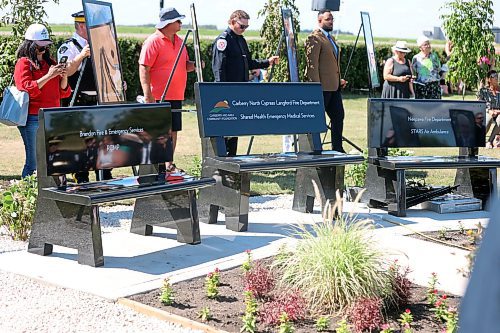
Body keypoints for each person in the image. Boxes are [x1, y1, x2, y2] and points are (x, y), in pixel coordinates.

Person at [212, 9, 279, 156]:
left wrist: (267, 62)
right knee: (224, 128)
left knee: (234, 128)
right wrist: (221, 91)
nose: (244, 29)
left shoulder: (241, 40)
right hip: (227, 92)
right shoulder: (223, 40)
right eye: (242, 26)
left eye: (246, 27)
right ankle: (221, 159)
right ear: (232, 22)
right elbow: (219, 69)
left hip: (239, 91)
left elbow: (248, 62)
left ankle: (232, 157)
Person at [58, 10, 112, 182]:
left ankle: (104, 176)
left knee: (101, 141)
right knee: (80, 143)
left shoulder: (98, 44)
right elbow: (65, 71)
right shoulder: (69, 47)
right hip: (78, 101)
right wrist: (82, 56)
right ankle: (80, 177)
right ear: (82, 26)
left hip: (98, 102)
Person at [139, 7, 195, 172]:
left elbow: (185, 65)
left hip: (176, 95)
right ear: (168, 23)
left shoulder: (180, 41)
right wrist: (147, 94)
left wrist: (196, 66)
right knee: (159, 132)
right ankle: (155, 165)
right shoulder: (153, 41)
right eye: (178, 21)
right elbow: (144, 68)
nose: (180, 23)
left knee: (173, 131)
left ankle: (169, 163)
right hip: (158, 95)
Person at [14, 23, 70, 178]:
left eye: (46, 46)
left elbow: (64, 92)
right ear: (31, 45)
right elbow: (25, 88)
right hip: (33, 118)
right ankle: (27, 196)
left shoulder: (50, 62)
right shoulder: (24, 63)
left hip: (53, 116)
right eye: (40, 47)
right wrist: (49, 76)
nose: (44, 49)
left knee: (53, 161)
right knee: (33, 163)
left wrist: (63, 76)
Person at [305, 9, 347, 153]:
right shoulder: (314, 38)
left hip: (334, 87)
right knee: (316, 120)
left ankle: (338, 148)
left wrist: (338, 79)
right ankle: (314, 148)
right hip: (321, 88)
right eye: (328, 19)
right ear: (319, 20)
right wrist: (315, 86)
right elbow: (312, 65)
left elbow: (331, 63)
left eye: (332, 19)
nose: (331, 21)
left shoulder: (331, 38)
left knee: (338, 116)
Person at [477, 69, 500, 147]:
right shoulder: (483, 91)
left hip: (498, 112)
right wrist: (489, 111)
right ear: (489, 79)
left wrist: (498, 111)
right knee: (488, 118)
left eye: (497, 76)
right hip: (487, 112)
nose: (496, 78)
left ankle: (489, 141)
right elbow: (479, 104)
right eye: (494, 76)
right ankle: (479, 139)